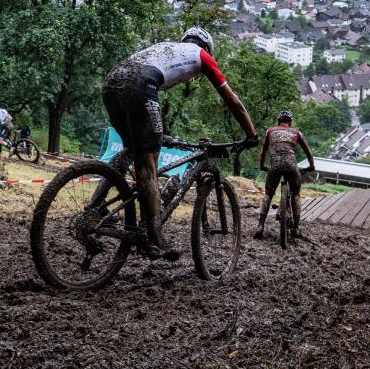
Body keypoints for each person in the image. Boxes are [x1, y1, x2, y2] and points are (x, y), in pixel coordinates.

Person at [102, 27, 258, 259]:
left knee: (131, 150)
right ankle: (155, 240)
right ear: (207, 47)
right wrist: (251, 134)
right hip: (140, 86)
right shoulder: (201, 55)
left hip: (111, 82)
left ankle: (96, 206)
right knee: (148, 167)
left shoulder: (165, 47)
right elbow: (233, 101)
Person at [254, 110, 315, 240]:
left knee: (268, 194)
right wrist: (311, 166)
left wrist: (261, 166)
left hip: (275, 165)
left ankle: (260, 226)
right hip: (292, 165)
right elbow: (308, 152)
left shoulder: (270, 131)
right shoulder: (296, 132)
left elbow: (263, 152)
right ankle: (296, 228)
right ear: (290, 122)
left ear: (278, 122)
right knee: (296, 195)